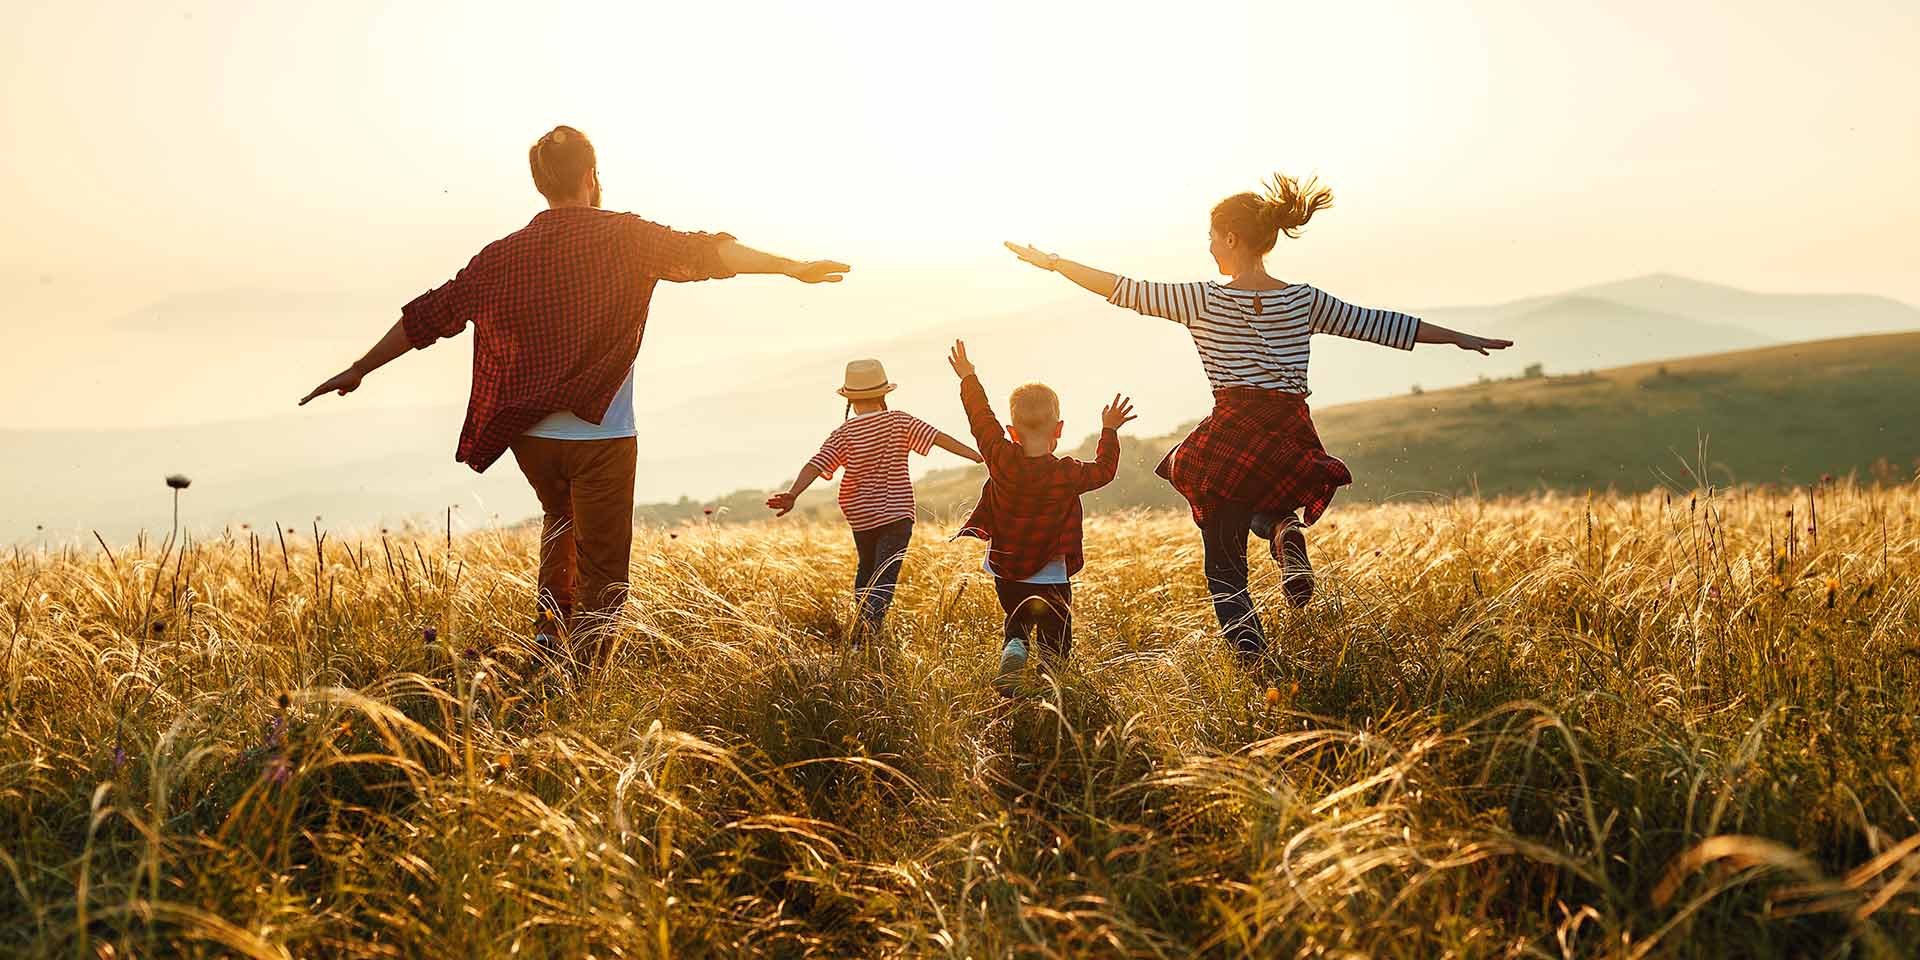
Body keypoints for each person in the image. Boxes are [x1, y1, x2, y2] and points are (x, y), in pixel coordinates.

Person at [300, 125, 850, 672]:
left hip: (530, 438)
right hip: (602, 437)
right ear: (591, 176)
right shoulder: (624, 237)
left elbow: (429, 316)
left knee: (559, 521)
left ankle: (548, 644)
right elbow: (709, 253)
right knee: (604, 568)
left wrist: (359, 369)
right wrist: (791, 267)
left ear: (541, 184)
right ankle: (583, 679)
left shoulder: (501, 255)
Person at [1004, 173, 1511, 660]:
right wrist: (1460, 338)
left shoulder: (1202, 299)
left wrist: (1053, 263)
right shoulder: (1303, 299)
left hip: (1232, 428)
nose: (1207, 248)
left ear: (1230, 236)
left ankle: (1255, 663)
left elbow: (1121, 288)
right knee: (1263, 501)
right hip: (1289, 428)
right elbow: (1380, 325)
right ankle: (1283, 531)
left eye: (1210, 237)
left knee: (1223, 565)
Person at [945, 340, 1131, 694]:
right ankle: (1050, 688)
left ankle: (1014, 645)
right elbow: (1105, 470)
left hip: (1006, 567)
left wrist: (969, 378)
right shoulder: (1067, 473)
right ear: (1058, 429)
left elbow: (980, 419)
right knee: (1055, 636)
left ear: (1012, 431)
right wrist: (1109, 430)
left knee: (1017, 621)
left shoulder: (1000, 457)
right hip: (1051, 571)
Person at [765, 359, 982, 640]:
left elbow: (816, 464)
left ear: (851, 400)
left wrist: (793, 494)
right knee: (885, 575)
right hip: (896, 513)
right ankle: (868, 634)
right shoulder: (899, 421)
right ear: (883, 394)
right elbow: (938, 438)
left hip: (861, 516)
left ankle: (860, 632)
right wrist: (977, 455)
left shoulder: (844, 433)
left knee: (866, 570)